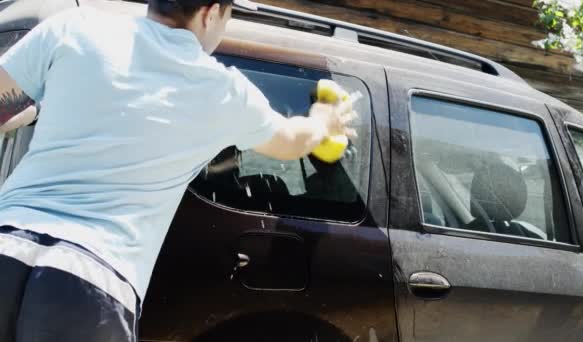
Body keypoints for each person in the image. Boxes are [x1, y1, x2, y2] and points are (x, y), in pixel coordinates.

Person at [0, 0, 357, 341]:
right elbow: (292, 142)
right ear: (210, 13)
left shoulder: (76, 27)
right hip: (89, 282)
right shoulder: (221, 91)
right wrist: (325, 119)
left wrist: (35, 112)